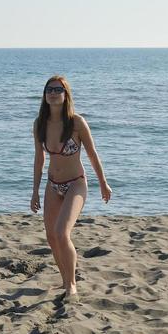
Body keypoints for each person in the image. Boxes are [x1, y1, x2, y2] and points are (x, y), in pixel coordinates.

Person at [29, 75, 113, 297]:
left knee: (61, 232)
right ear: (45, 95)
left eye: (58, 90)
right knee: (50, 237)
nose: (53, 93)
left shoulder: (76, 122)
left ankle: (72, 284)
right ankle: (65, 280)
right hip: (52, 185)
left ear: (66, 95)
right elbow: (39, 159)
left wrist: (103, 183)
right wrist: (35, 191)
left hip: (76, 183)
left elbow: (93, 155)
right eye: (49, 89)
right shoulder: (39, 124)